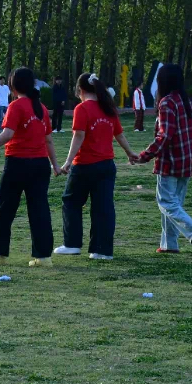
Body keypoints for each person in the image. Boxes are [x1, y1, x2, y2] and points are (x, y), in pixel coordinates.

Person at [0, 67, 61, 267]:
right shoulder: (41, 108)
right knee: (39, 209)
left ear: (13, 86)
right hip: (40, 165)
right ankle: (43, 257)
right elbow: (49, 140)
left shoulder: (16, 106)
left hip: (18, 163)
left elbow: (7, 135)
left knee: (4, 207)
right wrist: (55, 165)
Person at [133, 63, 192, 255]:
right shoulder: (187, 102)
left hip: (169, 162)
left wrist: (144, 156)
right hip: (186, 162)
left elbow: (164, 136)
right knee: (174, 205)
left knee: (166, 203)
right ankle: (169, 244)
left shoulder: (166, 103)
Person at [53, 74, 139, 261]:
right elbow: (119, 134)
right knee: (103, 207)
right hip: (107, 165)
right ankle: (102, 250)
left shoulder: (82, 108)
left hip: (84, 165)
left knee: (71, 202)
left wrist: (68, 161)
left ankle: (72, 244)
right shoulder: (108, 108)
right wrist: (129, 152)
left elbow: (79, 136)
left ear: (80, 90)